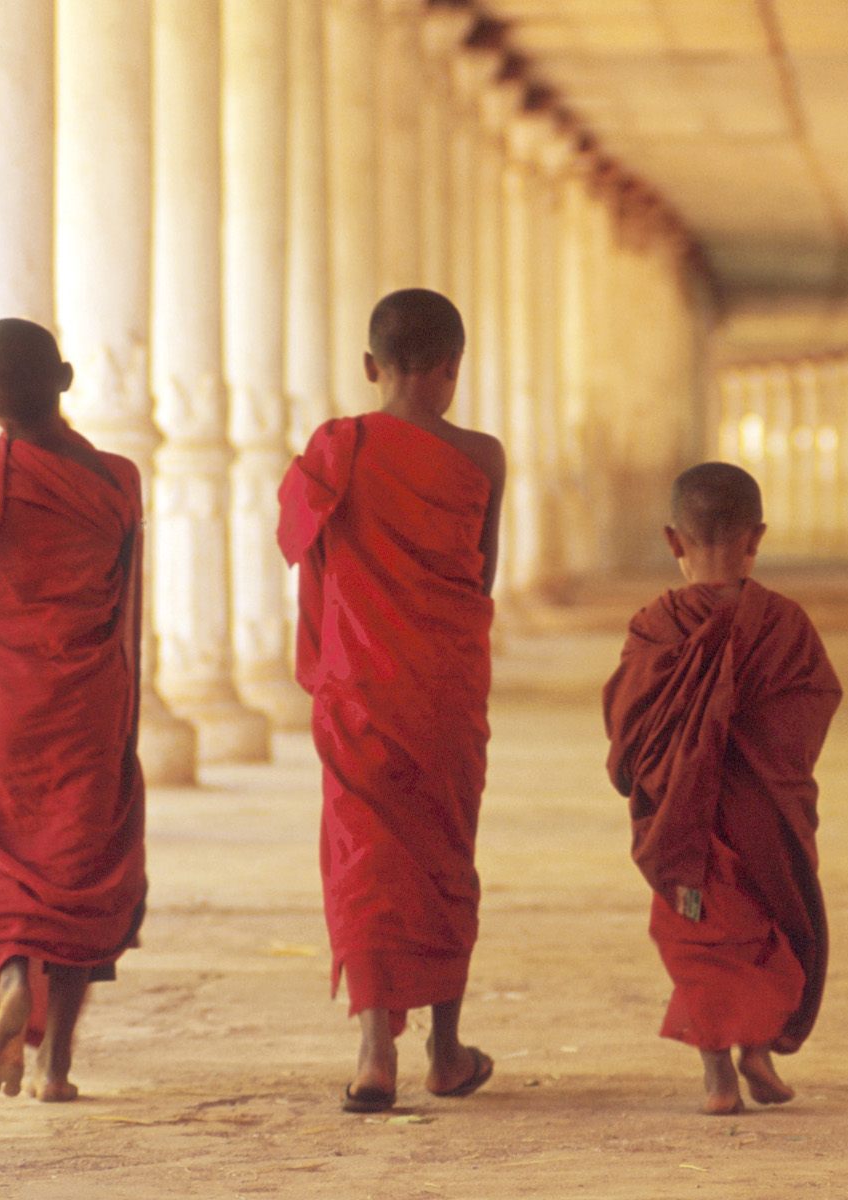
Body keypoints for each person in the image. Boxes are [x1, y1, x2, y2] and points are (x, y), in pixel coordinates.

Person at [278, 288, 505, 1114]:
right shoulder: (482, 457)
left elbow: (312, 560)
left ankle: (376, 1052)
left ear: (371, 368)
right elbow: (480, 578)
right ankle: (445, 1052)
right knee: (444, 856)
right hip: (443, 688)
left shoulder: (335, 449)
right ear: (453, 369)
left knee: (364, 859)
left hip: (360, 689)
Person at [0, 318, 148, 1103]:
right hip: (86, 705)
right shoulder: (116, 480)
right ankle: (55, 1066)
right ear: (65, 378)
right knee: (86, 871)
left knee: (6, 867)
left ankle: (15, 974)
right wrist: (128, 722)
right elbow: (127, 608)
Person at [603, 462, 842, 1115]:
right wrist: (771, 770)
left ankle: (719, 1075)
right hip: (764, 812)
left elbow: (626, 725)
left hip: (686, 820)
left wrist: (660, 765)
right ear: (756, 536)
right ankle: (757, 1052)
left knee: (702, 934)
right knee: (767, 923)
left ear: (672, 540)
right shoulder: (785, 624)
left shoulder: (655, 627)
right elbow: (813, 703)